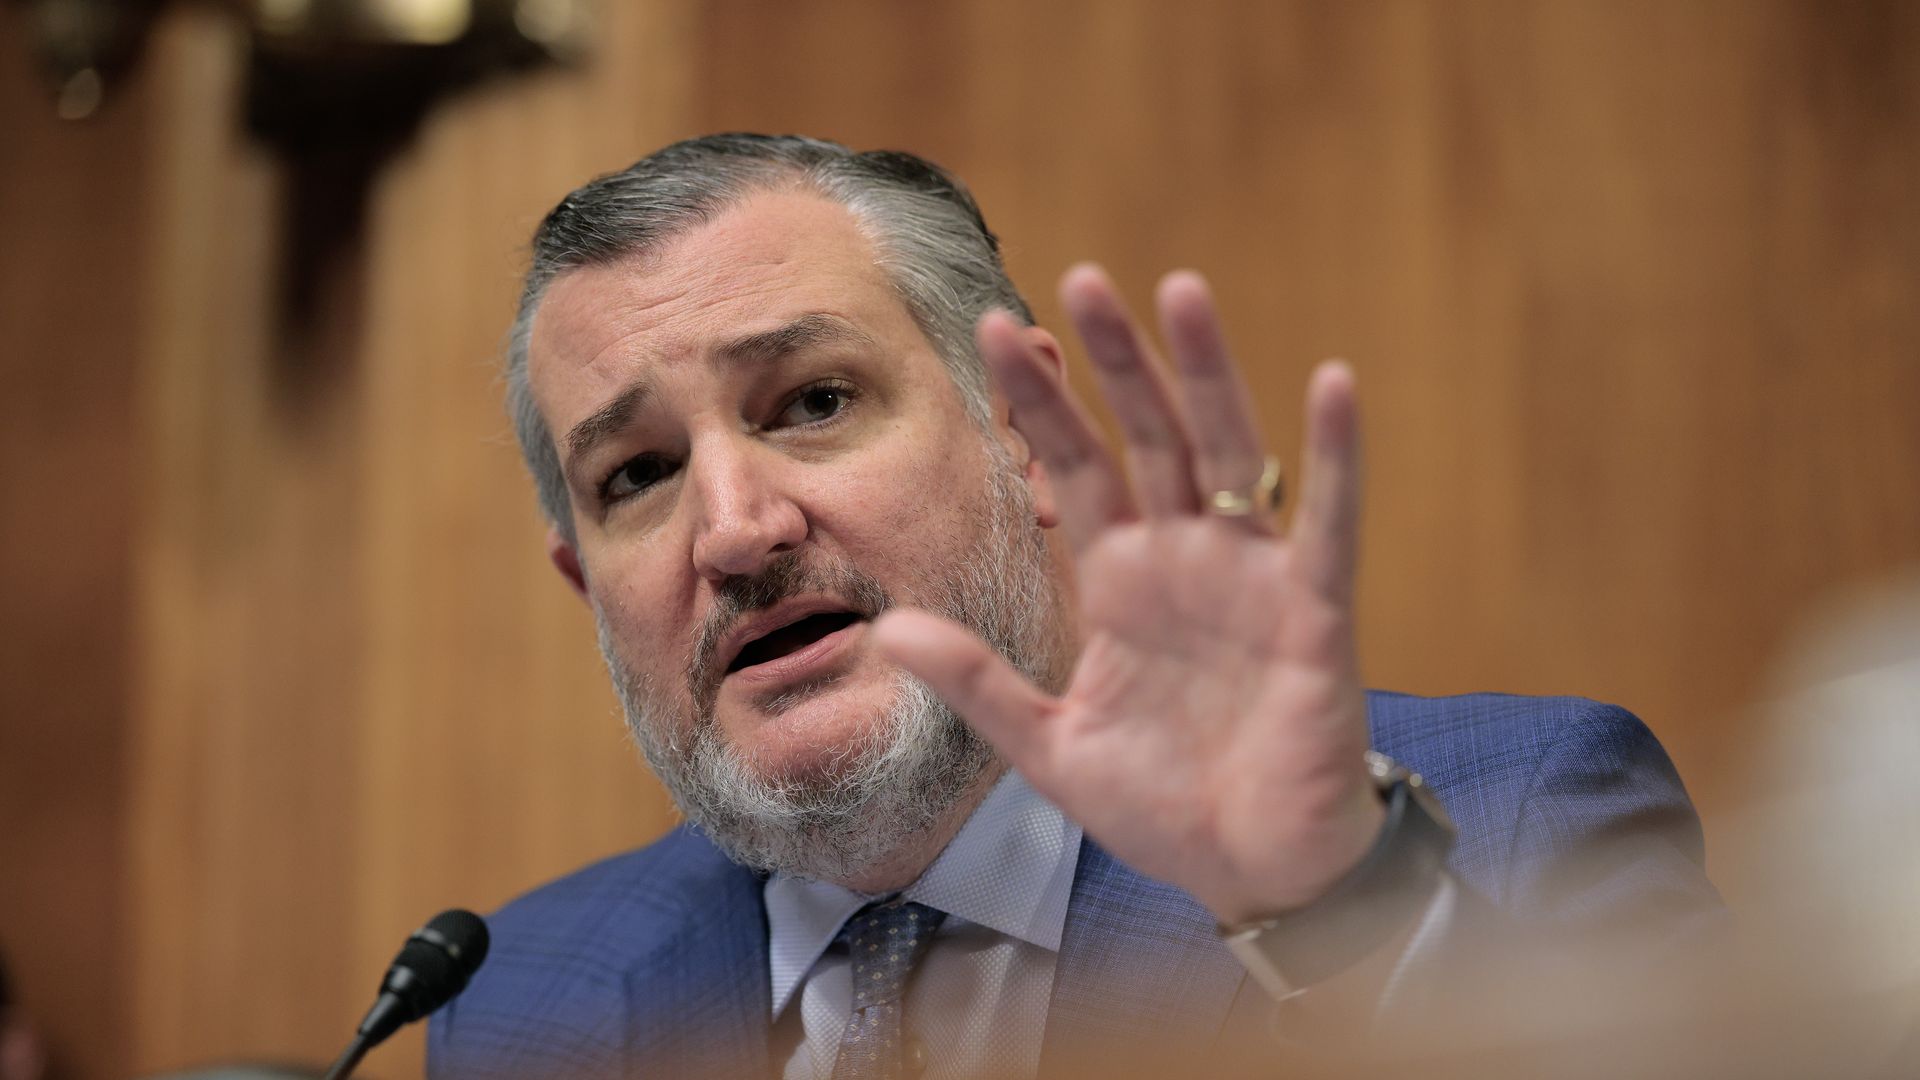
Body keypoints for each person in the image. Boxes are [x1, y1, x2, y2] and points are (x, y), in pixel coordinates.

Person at [428, 133, 1720, 1079]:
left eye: (814, 403)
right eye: (638, 475)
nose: (735, 530)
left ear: (1023, 433)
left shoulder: (1518, 825)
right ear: (584, 580)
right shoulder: (520, 1005)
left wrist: (1343, 914)